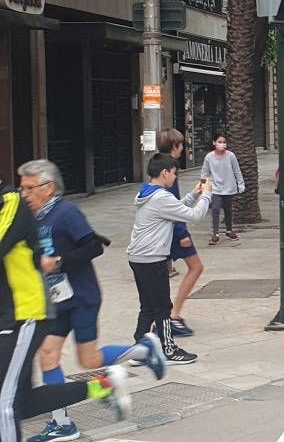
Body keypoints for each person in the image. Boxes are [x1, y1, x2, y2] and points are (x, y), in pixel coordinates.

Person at [17, 161, 166, 442]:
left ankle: (144, 351)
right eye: (22, 188)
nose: (24, 194)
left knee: (89, 360)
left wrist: (59, 262)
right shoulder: (30, 218)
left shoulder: (65, 212)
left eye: (29, 188)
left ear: (48, 188)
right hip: (55, 301)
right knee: (47, 356)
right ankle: (62, 424)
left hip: (82, 298)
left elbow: (93, 246)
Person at [0, 182, 131, 441]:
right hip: (11, 316)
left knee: (5, 404)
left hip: (23, 315)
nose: (27, 192)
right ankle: (103, 385)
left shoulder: (11, 203)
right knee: (22, 403)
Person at [128, 154, 211, 365]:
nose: (175, 178)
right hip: (152, 258)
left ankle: (139, 350)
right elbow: (193, 216)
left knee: (147, 305)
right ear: (164, 172)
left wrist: (194, 194)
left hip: (139, 257)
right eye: (174, 173)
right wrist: (207, 195)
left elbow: (175, 210)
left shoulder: (149, 192)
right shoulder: (161, 197)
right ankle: (169, 349)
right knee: (163, 306)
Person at [157, 129, 202, 337]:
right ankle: (173, 315)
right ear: (174, 146)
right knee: (196, 267)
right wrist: (182, 232)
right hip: (175, 229)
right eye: (181, 145)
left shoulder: (158, 164)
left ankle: (167, 315)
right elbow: (173, 205)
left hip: (166, 229)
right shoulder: (170, 169)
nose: (183, 149)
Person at [201, 134, 245, 246]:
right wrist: (203, 186)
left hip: (229, 187)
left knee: (228, 209)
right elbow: (204, 173)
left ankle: (229, 231)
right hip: (215, 188)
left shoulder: (231, 156)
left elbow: (237, 171)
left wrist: (241, 184)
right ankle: (215, 234)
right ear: (214, 142)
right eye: (219, 142)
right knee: (215, 209)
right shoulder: (209, 157)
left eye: (224, 142)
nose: (222, 144)